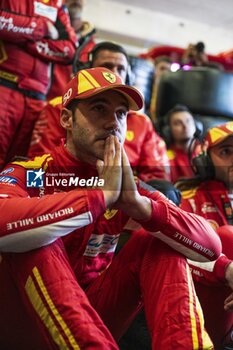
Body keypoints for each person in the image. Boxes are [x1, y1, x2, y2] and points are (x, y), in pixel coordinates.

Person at [0, 67, 223, 349]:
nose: (112, 122)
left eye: (120, 114)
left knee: (158, 241)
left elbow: (210, 245)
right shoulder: (30, 173)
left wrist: (141, 207)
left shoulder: (126, 187)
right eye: (99, 109)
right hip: (24, 324)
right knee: (37, 235)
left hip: (95, 318)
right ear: (67, 119)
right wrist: (99, 197)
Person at [29, 41, 170, 182]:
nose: (113, 74)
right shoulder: (58, 107)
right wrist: (96, 193)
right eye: (106, 67)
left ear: (128, 77)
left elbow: (158, 176)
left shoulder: (142, 121)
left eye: (120, 69)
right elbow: (39, 171)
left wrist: (134, 195)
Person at [0, 1, 77, 169]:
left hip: (37, 101)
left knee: (22, 167)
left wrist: (23, 39)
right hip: (4, 86)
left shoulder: (56, 3)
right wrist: (41, 28)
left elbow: (70, 49)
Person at [179, 121, 233, 349]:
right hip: (202, 305)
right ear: (205, 161)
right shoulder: (186, 198)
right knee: (226, 237)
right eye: (226, 152)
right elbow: (175, 258)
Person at [163, 104, 202, 183]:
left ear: (196, 126)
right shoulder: (165, 157)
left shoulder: (206, 151)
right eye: (178, 123)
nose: (185, 126)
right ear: (168, 131)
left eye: (188, 121)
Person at [150, 55, 172, 122]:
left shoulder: (172, 94)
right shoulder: (145, 89)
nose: (165, 73)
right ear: (154, 71)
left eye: (168, 70)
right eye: (162, 69)